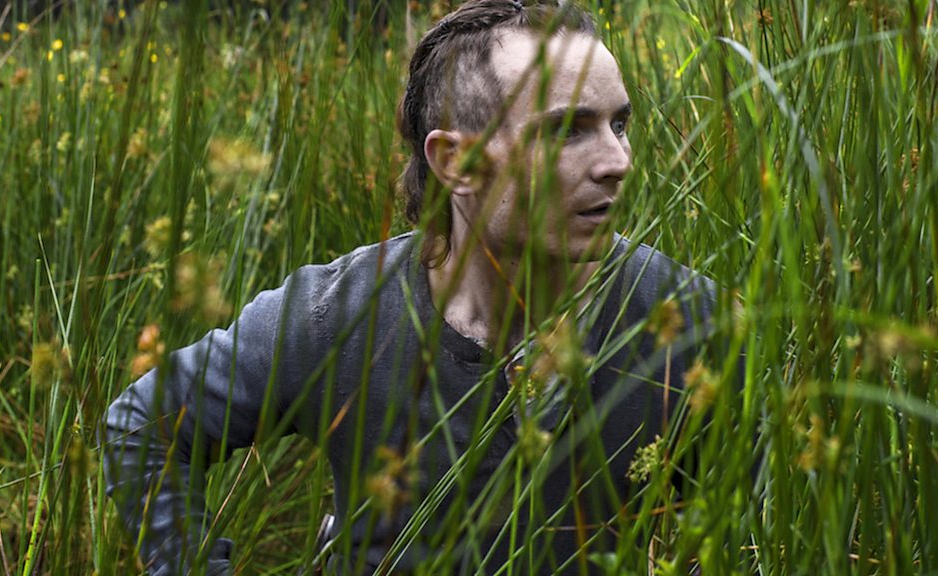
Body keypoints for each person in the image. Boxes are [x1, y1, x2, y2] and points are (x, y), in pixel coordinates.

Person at [103, 1, 723, 574]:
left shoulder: (688, 319)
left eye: (620, 124)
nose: (617, 161)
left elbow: (755, 518)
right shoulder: (338, 315)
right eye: (568, 130)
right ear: (454, 162)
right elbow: (141, 427)